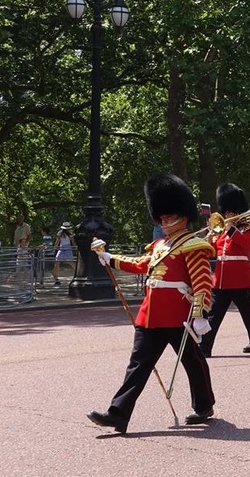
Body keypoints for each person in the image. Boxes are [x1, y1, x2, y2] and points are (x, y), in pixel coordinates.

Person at [87, 173, 215, 434]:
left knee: (192, 361)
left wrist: (201, 314)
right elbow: (141, 264)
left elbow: (202, 281)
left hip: (178, 314)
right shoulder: (160, 245)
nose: (165, 220)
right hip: (151, 315)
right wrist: (110, 258)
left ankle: (204, 405)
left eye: (169, 215)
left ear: (184, 215)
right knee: (138, 364)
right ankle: (118, 414)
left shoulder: (193, 245)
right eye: (162, 217)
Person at [199, 183, 250, 358]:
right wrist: (208, 239)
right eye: (226, 212)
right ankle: (205, 347)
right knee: (214, 313)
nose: (228, 215)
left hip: (239, 277)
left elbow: (245, 245)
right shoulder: (220, 231)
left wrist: (231, 229)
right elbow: (210, 251)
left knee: (246, 312)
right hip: (221, 277)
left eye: (231, 213)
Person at [52, 223, 76, 287]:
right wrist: (54, 249)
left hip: (68, 248)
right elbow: (57, 241)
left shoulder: (70, 234)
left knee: (70, 262)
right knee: (57, 261)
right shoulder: (60, 233)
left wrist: (75, 247)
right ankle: (56, 279)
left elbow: (73, 242)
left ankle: (78, 274)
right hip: (61, 248)